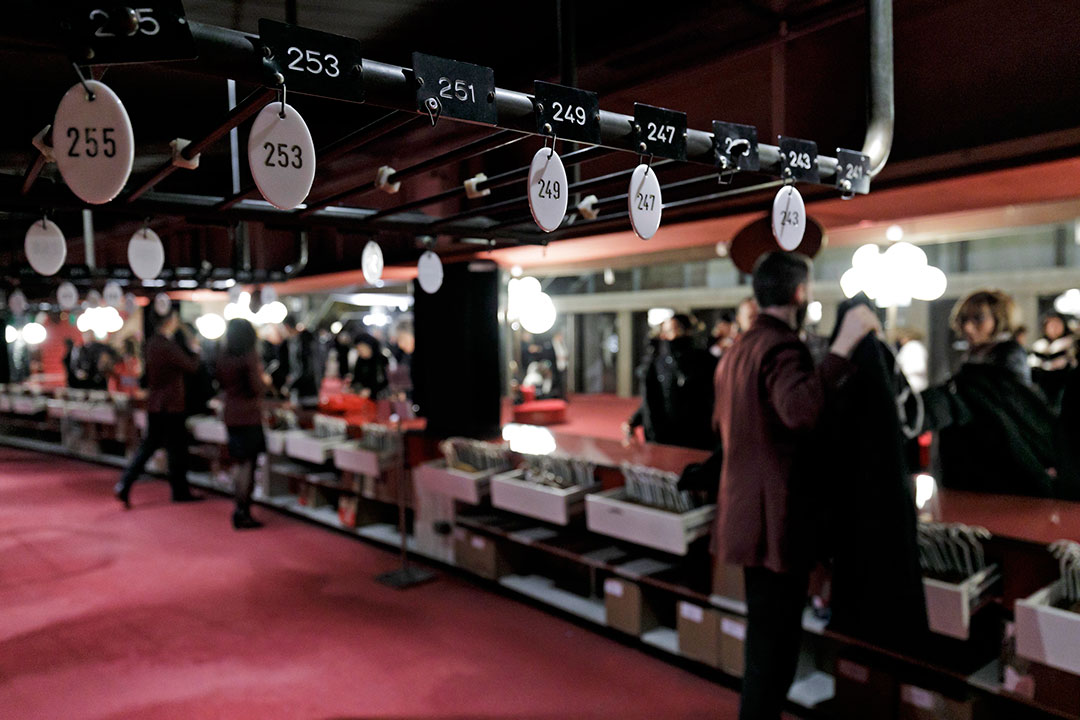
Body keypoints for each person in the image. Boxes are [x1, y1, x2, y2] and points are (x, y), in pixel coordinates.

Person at [712, 252, 878, 720]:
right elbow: (800, 411)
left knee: (765, 641)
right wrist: (843, 349)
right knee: (775, 651)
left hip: (745, 513)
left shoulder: (739, 347)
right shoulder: (782, 347)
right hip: (775, 521)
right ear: (799, 294)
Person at [114, 310, 203, 507]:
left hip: (156, 403)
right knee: (176, 449)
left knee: (150, 446)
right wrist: (195, 350)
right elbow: (191, 366)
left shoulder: (152, 344)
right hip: (171, 405)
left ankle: (126, 482)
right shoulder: (167, 346)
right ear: (170, 320)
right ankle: (179, 490)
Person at [623, 314, 717, 450]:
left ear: (688, 331)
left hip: (697, 437)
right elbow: (653, 400)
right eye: (664, 332)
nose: (666, 337)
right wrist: (634, 420)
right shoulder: (658, 363)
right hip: (665, 438)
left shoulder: (705, 361)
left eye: (672, 330)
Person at [216, 318, 267, 529]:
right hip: (248, 415)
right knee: (249, 463)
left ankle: (239, 508)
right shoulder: (249, 357)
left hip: (230, 413)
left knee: (239, 462)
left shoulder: (223, 356)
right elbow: (257, 387)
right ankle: (243, 511)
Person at [1029, 312, 1076, 409]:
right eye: (1051, 325)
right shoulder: (1039, 346)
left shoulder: (1070, 345)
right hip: (1042, 390)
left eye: (1058, 324)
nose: (1054, 328)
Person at [351, 333, 388, 398]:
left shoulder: (381, 360)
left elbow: (385, 382)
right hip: (363, 398)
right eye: (358, 349)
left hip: (379, 399)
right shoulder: (360, 360)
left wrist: (371, 391)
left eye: (362, 348)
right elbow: (356, 379)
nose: (360, 352)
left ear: (369, 347)